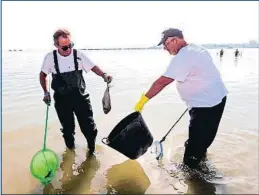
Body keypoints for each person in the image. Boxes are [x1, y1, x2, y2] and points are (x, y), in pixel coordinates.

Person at [134, 28, 228, 168]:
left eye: (165, 45)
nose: (165, 49)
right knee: (202, 139)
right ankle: (200, 156)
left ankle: (191, 174)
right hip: (214, 100)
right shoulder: (196, 49)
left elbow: (162, 82)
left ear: (174, 40)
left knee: (193, 152)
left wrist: (143, 100)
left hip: (205, 107)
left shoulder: (183, 56)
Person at [39, 28, 112, 154]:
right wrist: (46, 92)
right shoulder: (50, 58)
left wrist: (104, 75)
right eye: (65, 47)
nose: (69, 49)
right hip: (62, 101)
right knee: (67, 130)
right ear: (56, 46)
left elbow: (93, 67)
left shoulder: (78, 55)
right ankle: (70, 153)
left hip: (81, 98)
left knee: (89, 127)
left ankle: (91, 151)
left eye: (70, 45)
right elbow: (42, 75)